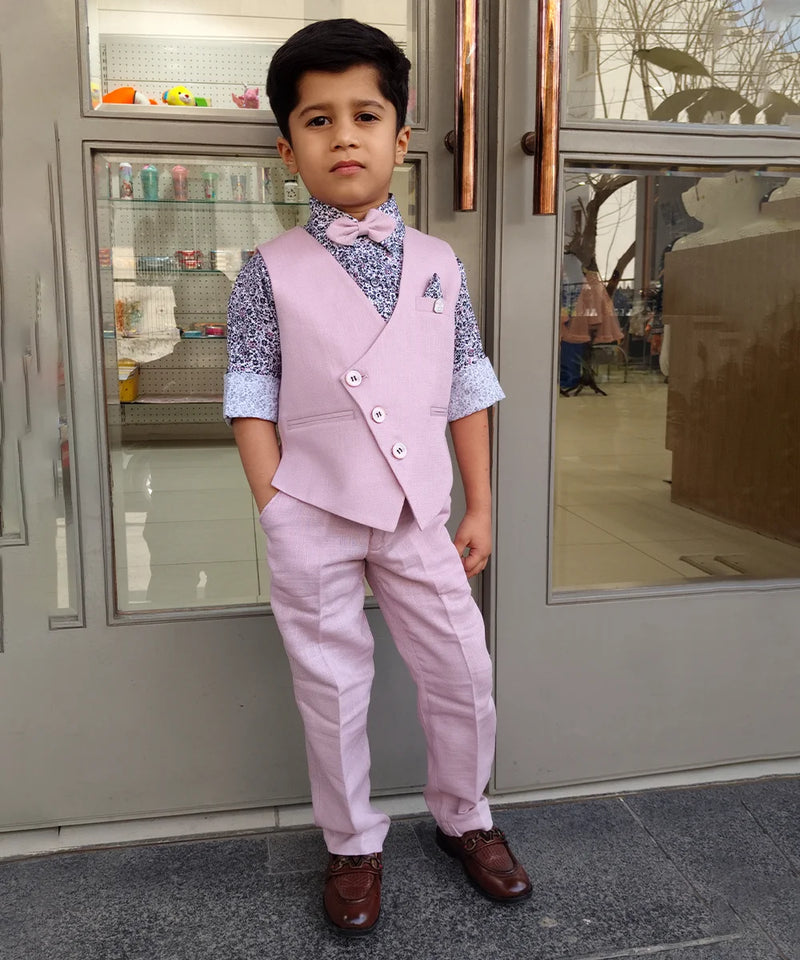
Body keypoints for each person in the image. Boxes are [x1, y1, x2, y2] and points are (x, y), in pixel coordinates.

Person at [223, 18, 531, 935]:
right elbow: (249, 394)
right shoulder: (263, 272)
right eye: (318, 121)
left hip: (417, 516)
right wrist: (275, 503)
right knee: (331, 684)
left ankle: (464, 817)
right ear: (289, 148)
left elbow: (467, 388)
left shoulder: (441, 266)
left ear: (401, 139)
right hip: (311, 509)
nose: (343, 135)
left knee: (462, 669)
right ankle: (353, 842)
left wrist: (480, 503)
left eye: (365, 115)